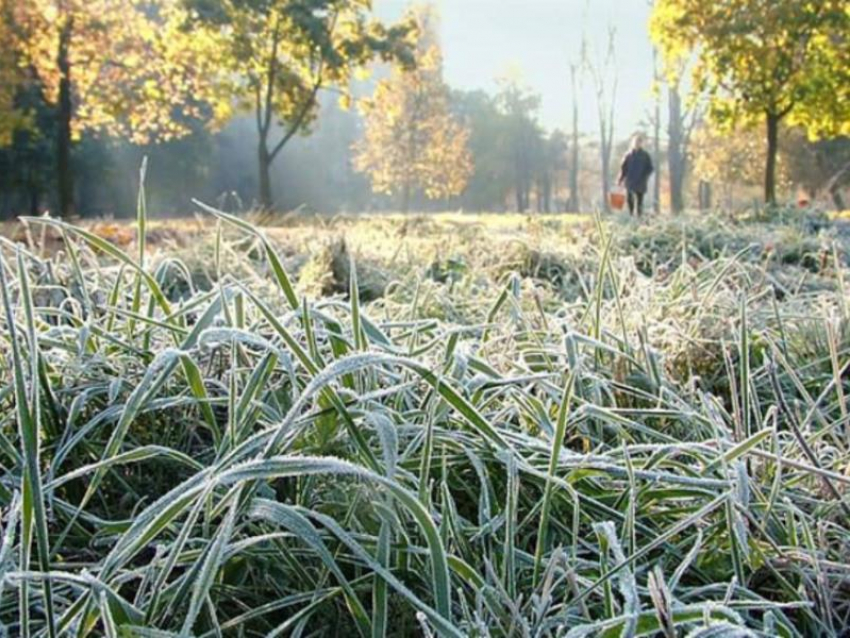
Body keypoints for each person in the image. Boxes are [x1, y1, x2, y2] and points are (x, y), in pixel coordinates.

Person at [617, 134, 654, 217]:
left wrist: (645, 176)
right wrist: (620, 179)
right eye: (635, 142)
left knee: (640, 201)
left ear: (641, 144)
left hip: (641, 181)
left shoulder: (645, 155)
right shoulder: (628, 155)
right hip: (630, 181)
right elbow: (623, 168)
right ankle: (631, 215)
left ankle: (639, 216)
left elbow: (650, 168)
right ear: (632, 143)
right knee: (629, 199)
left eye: (639, 142)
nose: (637, 144)